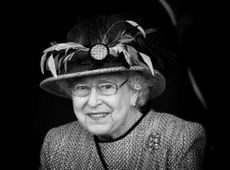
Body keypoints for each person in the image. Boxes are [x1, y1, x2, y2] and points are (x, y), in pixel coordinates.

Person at [39, 14, 206, 170]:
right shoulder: (57, 143)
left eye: (107, 86)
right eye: (82, 88)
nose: (92, 101)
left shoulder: (178, 139)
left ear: (135, 90)